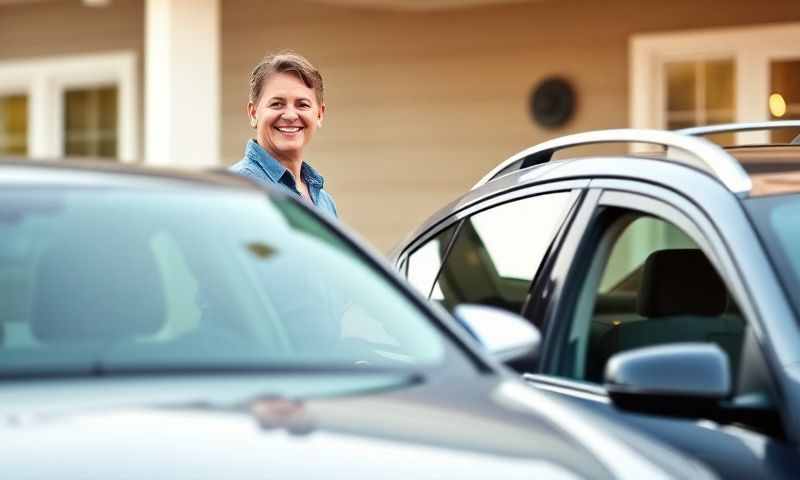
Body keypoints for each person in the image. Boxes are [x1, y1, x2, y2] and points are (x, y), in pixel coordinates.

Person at [231, 51, 337, 217]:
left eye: (302, 105)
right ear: (253, 113)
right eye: (276, 104)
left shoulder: (325, 203)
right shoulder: (237, 190)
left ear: (319, 114)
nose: (290, 115)